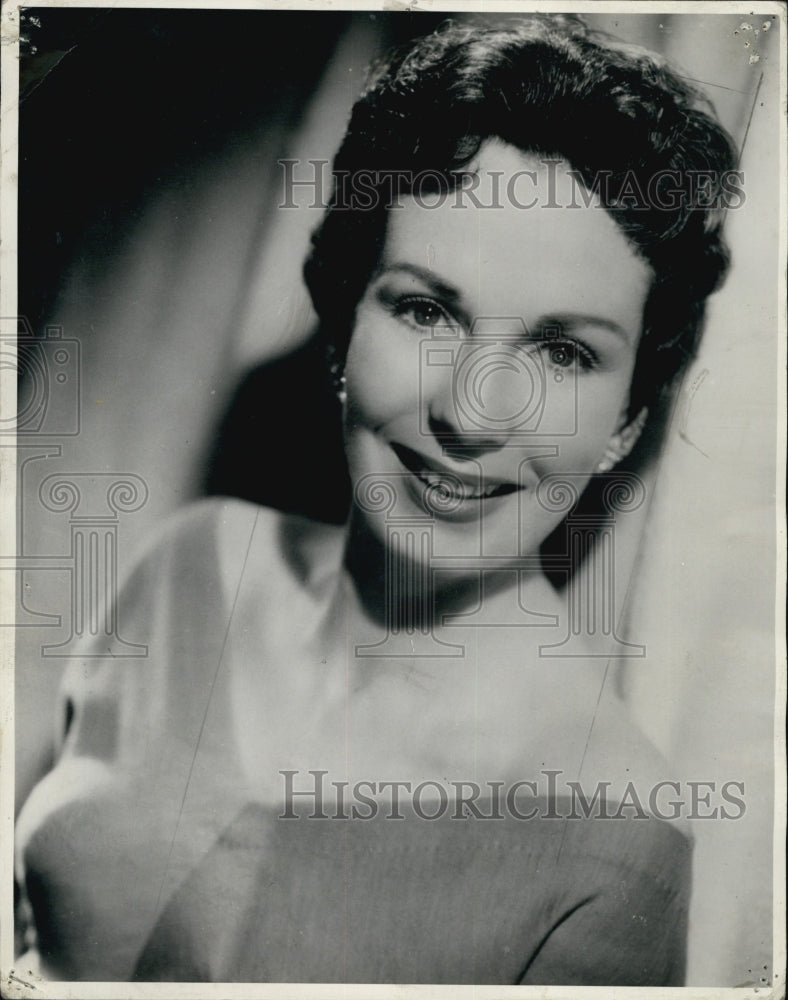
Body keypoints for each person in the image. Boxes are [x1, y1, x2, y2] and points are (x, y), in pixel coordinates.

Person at [15, 15, 737, 985]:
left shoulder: (615, 838)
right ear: (344, 325)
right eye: (424, 309)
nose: (470, 412)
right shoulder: (187, 569)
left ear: (625, 418)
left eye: (562, 352)